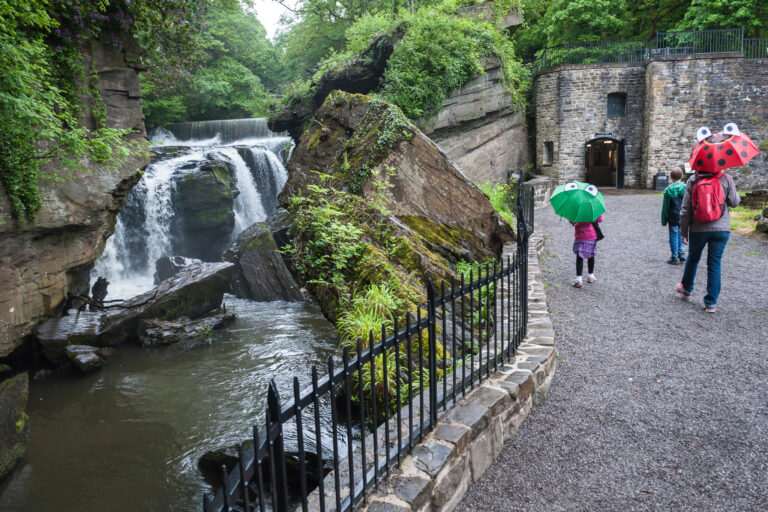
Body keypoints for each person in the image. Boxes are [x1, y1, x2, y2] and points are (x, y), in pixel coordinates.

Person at [676, 170, 740, 313]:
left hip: (698, 229)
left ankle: (686, 290)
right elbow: (735, 202)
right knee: (714, 263)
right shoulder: (726, 178)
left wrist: (683, 231)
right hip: (721, 229)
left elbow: (685, 209)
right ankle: (710, 302)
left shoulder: (693, 180)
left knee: (693, 259)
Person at [661, 167, 687, 264]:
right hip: (684, 216)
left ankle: (674, 257)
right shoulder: (686, 188)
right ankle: (681, 253)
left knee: (673, 236)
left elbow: (665, 207)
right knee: (681, 234)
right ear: (682, 176)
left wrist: (664, 220)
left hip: (673, 216)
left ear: (671, 177)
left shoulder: (669, 190)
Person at [571, 214, 603, 288]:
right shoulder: (593, 208)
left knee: (579, 257)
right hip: (592, 236)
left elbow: (572, 221)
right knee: (591, 255)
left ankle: (579, 280)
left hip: (580, 236)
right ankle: (591, 276)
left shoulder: (576, 209)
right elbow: (600, 219)